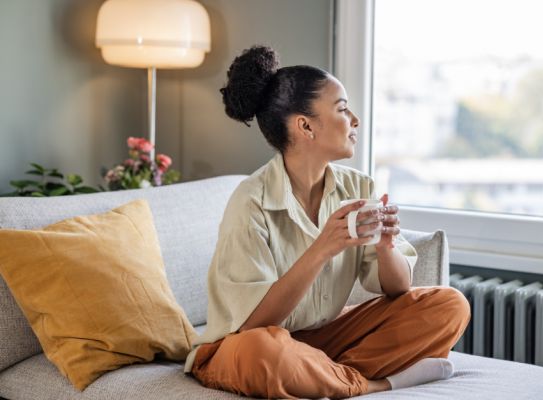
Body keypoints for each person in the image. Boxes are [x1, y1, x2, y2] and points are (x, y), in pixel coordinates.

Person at [184, 45, 470, 398]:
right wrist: (322, 248)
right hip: (242, 344)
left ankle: (317, 373)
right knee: (265, 352)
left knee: (450, 305)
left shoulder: (357, 186)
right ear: (305, 126)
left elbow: (397, 290)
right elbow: (253, 324)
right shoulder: (251, 201)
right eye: (342, 109)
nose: (355, 120)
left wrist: (385, 245)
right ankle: (372, 384)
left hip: (324, 338)